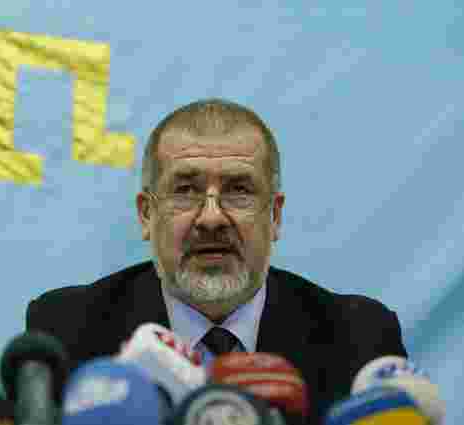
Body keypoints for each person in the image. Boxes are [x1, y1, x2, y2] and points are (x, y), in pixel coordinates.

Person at [26, 98, 407, 423]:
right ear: (146, 215)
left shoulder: (357, 336)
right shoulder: (69, 328)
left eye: (239, 190)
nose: (211, 218)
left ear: (274, 216)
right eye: (185, 190)